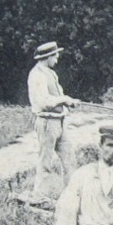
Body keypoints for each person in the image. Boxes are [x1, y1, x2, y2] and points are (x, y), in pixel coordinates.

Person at [27, 41, 79, 204]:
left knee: (70, 159)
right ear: (47, 57)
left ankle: (72, 195)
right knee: (46, 160)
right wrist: (64, 99)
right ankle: (38, 195)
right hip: (47, 122)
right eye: (55, 55)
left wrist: (69, 102)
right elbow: (43, 101)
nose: (57, 59)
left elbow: (58, 96)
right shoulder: (37, 75)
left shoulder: (51, 73)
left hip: (60, 122)